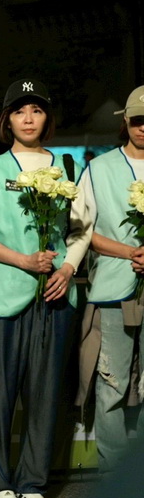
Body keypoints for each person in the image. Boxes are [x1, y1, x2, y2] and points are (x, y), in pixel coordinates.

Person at [0, 78, 91, 498]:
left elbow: (81, 230)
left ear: (47, 118)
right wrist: (23, 260)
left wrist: (66, 268)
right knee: (0, 396)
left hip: (53, 296)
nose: (28, 118)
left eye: (36, 110)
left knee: (44, 394)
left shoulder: (67, 168)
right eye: (19, 111)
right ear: (7, 120)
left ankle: (32, 482)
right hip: (2, 295)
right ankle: (1, 484)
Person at [74, 85, 144, 473]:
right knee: (113, 382)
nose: (143, 127)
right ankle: (114, 475)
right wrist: (130, 253)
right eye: (137, 120)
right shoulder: (99, 169)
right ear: (126, 123)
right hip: (115, 289)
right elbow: (82, 231)